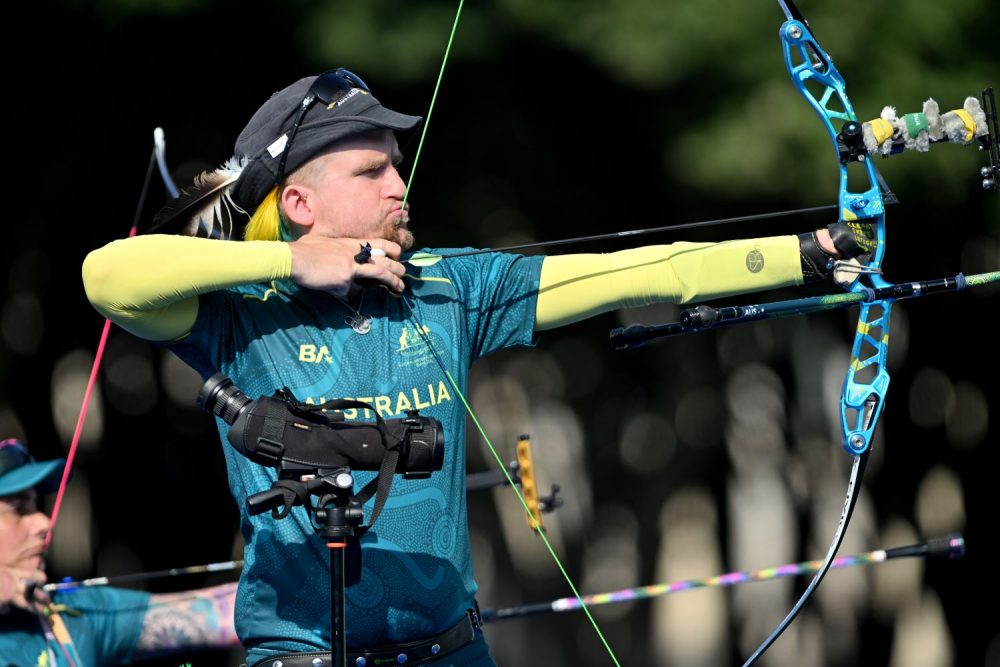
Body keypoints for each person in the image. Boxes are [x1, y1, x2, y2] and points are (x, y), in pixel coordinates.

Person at [81, 68, 874, 666]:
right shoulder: (240, 310)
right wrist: (295, 264)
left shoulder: (448, 285)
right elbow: (107, 276)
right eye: (372, 172)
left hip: (452, 649)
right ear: (298, 206)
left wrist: (811, 251)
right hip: (299, 651)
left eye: (397, 164)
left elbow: (644, 272)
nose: (402, 185)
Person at [0, 437, 240, 666]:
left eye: (35, 504)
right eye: (18, 509)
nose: (43, 523)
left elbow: (232, 614)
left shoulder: (73, 615)